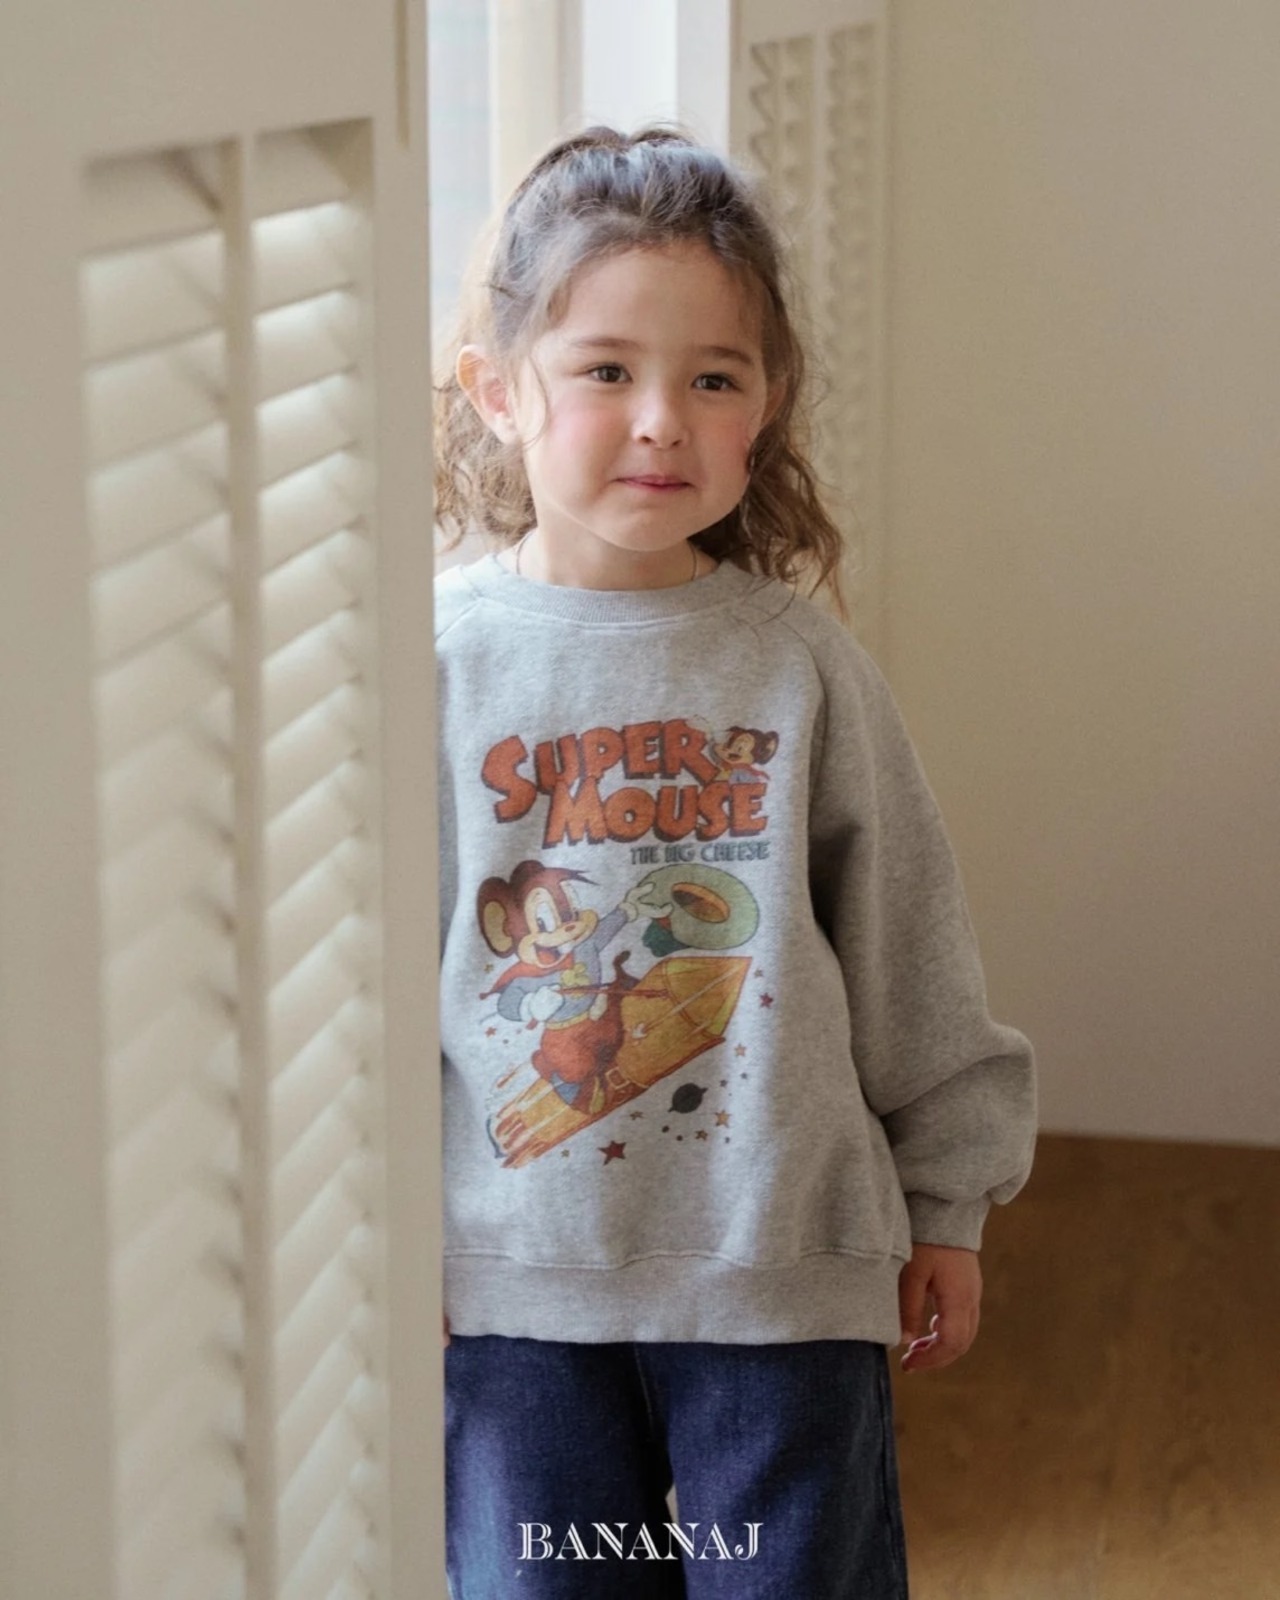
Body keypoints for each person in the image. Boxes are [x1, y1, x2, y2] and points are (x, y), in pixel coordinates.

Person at [432, 124, 1036, 1599]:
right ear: (498, 390)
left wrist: (947, 1203)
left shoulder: (795, 664)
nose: (661, 421)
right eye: (605, 369)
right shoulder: (433, 661)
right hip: (515, 1290)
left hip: (781, 1278)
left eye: (715, 378)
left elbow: (906, 941)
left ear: (764, 409)